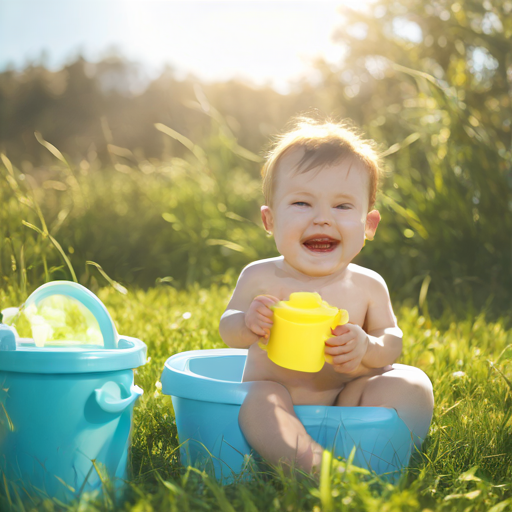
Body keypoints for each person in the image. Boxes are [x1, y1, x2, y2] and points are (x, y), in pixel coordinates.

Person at [218, 116, 434, 475]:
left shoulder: (367, 285)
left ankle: (379, 465)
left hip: (344, 403)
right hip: (276, 398)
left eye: (343, 206)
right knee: (258, 399)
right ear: (270, 220)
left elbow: (391, 340)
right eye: (302, 203)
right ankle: (313, 469)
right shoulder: (259, 276)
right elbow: (228, 329)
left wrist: (367, 347)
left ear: (369, 225)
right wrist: (248, 323)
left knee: (412, 384)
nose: (322, 219)